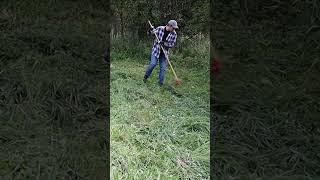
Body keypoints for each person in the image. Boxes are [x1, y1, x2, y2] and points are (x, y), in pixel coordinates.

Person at [143, 20, 178, 86]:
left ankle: (160, 84)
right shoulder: (160, 28)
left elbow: (172, 45)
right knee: (153, 64)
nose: (174, 29)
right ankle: (145, 77)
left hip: (164, 53)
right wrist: (150, 30)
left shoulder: (174, 34)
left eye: (174, 28)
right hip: (156, 50)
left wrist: (164, 44)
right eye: (173, 28)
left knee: (163, 68)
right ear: (169, 26)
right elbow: (150, 35)